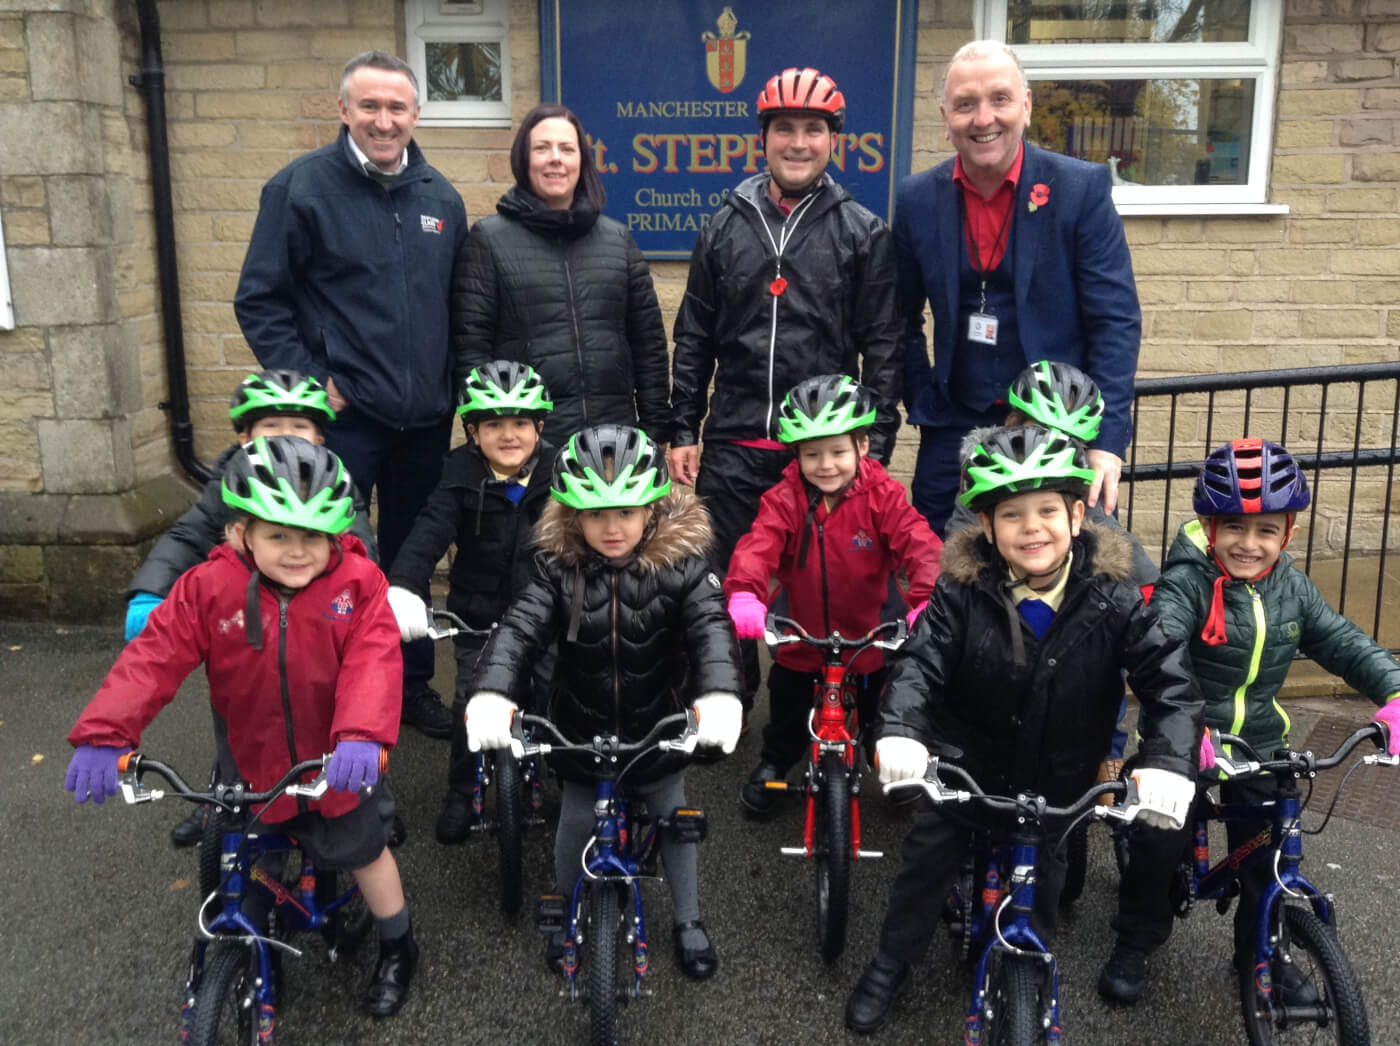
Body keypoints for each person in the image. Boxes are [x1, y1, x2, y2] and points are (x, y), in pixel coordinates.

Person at [843, 424, 1202, 1036]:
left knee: (1047, 892)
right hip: (966, 769)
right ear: (987, 527)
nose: (1031, 528)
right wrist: (901, 729)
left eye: (1047, 511)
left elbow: (1170, 681)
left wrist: (1169, 760)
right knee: (926, 866)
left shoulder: (1114, 597)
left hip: (1057, 782)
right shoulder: (961, 593)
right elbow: (920, 666)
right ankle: (889, 966)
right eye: (1011, 515)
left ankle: (1030, 963)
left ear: (1078, 513)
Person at [64, 437, 420, 1018]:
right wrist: (106, 732)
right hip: (252, 758)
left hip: (336, 760)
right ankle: (250, 947)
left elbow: (374, 662)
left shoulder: (358, 585)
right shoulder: (208, 589)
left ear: (335, 536)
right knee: (247, 863)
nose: (298, 552)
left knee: (367, 852)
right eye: (278, 535)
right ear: (239, 534)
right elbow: (152, 658)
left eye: (312, 537)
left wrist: (361, 734)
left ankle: (398, 943)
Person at [1098, 437, 1400, 1005]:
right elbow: (1159, 652)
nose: (1249, 543)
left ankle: (1263, 955)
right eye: (1234, 526)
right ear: (1209, 528)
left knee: (1271, 858)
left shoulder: (1292, 587)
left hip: (1259, 744)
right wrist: (1187, 729)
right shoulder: (1185, 583)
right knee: (1159, 842)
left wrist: (1394, 689)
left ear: (1288, 533)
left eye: (1267, 530)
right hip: (1183, 740)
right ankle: (1136, 939)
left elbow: (1342, 641)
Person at [234, 49, 468, 739]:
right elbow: (260, 300)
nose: (384, 120)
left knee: (412, 560)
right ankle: (333, 695)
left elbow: (454, 306)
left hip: (424, 422)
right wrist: (308, 385)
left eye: (397, 107)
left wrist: (451, 387)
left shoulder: (441, 198)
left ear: (415, 115)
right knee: (332, 561)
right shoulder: (299, 189)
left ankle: (411, 684)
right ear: (344, 110)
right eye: (369, 106)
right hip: (344, 423)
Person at [464, 425, 743, 979]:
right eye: (594, 515)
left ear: (653, 508)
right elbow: (520, 627)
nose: (611, 528)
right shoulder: (556, 565)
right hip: (580, 725)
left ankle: (687, 918)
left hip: (658, 724)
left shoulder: (683, 564)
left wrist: (718, 695)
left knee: (672, 819)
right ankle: (570, 910)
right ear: (572, 515)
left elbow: (712, 627)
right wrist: (494, 691)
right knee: (572, 821)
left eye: (626, 511)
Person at [670, 65, 902, 709]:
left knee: (826, 592)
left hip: (823, 453)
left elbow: (884, 346)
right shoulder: (724, 225)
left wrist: (873, 443)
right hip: (734, 447)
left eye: (813, 130)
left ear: (833, 141)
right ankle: (728, 702)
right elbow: (694, 336)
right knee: (724, 585)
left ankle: (811, 723)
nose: (798, 142)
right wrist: (681, 429)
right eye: (784, 130)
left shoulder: (863, 232)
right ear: (763, 140)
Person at [895, 41, 1141, 537]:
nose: (983, 118)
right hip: (954, 424)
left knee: (1066, 571)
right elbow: (896, 318)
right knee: (939, 569)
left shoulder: (1080, 189)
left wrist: (1107, 441)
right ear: (946, 117)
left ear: (1026, 106)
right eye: (965, 104)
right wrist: (925, 398)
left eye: (999, 99)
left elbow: (1115, 321)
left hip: (1060, 427)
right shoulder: (916, 198)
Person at [125, 370, 380, 848]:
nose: (286, 434)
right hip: (246, 625)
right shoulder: (230, 480)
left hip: (318, 622)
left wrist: (368, 595)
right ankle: (225, 804)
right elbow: (188, 535)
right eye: (271, 425)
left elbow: (358, 538)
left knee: (348, 719)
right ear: (244, 436)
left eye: (299, 426)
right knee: (239, 728)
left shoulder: (330, 478)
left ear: (319, 435)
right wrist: (152, 590)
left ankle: (371, 808)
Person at [723, 375, 942, 815]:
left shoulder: (884, 496)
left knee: (885, 709)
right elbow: (757, 545)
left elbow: (920, 545)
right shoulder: (784, 498)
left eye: (838, 451)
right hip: (801, 634)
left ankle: (886, 759)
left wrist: (926, 600)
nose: (826, 465)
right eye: (812, 454)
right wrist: (746, 594)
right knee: (786, 701)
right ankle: (777, 760)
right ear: (796, 455)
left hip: (871, 636)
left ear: (862, 447)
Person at [943, 359, 1160, 786]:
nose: (1050, 444)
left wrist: (1147, 601)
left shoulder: (1073, 481)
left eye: (1067, 439)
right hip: (1000, 596)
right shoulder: (986, 471)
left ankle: (1108, 757)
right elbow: (959, 538)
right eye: (1038, 429)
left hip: (1066, 599)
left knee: (1104, 658)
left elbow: (1111, 538)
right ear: (1011, 422)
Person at [384, 361, 560, 844]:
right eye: (493, 424)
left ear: (539, 428)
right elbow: (427, 535)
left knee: (551, 693)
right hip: (477, 614)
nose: (508, 435)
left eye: (520, 422)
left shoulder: (560, 475)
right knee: (468, 700)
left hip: (543, 615)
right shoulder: (459, 475)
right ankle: (462, 790)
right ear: (473, 431)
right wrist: (402, 586)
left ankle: (554, 771)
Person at [451, 103, 671, 449]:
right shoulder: (488, 241)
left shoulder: (618, 240)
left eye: (567, 149)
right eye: (542, 148)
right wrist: (485, 432)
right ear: (524, 159)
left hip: (612, 444)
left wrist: (655, 429)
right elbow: (470, 350)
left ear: (581, 160)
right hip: (527, 448)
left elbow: (648, 345)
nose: (555, 158)